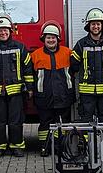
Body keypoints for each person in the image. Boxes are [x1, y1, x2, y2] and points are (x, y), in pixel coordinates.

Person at [0, 14, 34, 158]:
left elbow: (28, 68)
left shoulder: (20, 48)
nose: (3, 33)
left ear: (10, 31)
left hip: (16, 91)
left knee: (16, 121)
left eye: (5, 30)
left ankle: (17, 146)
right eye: (0, 31)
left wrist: (29, 87)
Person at [31, 22, 75, 156]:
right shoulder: (35, 55)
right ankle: (45, 147)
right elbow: (31, 77)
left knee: (62, 124)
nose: (51, 40)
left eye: (53, 37)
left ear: (58, 39)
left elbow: (74, 71)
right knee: (45, 124)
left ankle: (61, 148)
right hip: (44, 97)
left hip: (64, 96)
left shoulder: (68, 53)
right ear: (43, 39)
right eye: (48, 37)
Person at [70, 8, 103, 123]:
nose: (95, 27)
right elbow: (74, 63)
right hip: (87, 91)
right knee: (86, 119)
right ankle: (88, 141)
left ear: (102, 25)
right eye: (93, 24)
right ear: (89, 26)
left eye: (98, 24)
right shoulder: (81, 44)